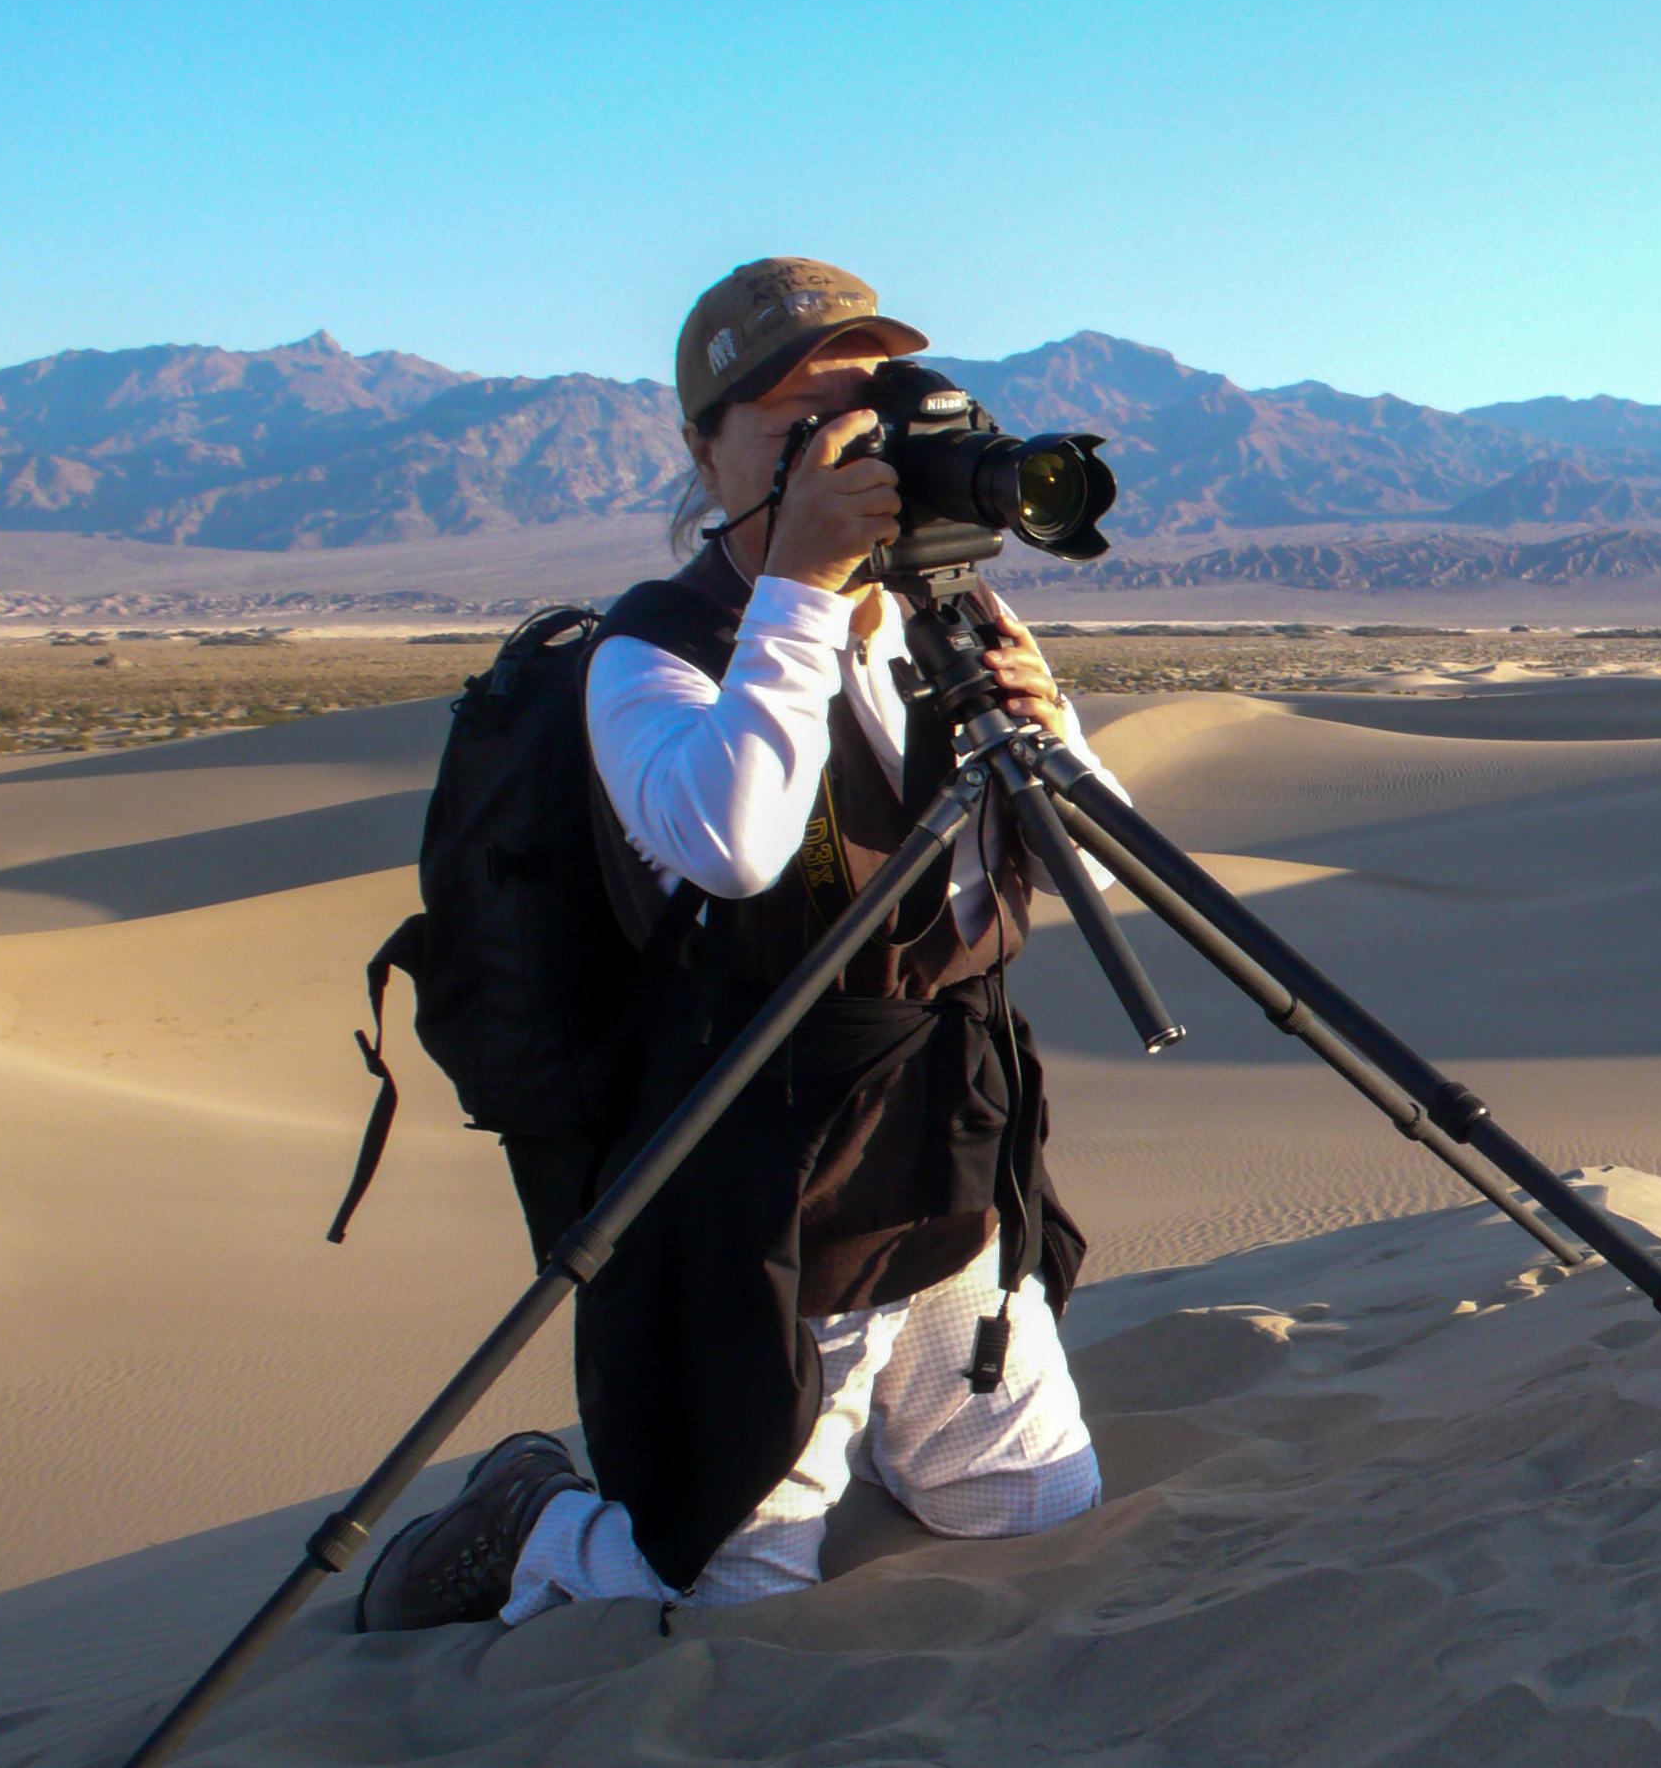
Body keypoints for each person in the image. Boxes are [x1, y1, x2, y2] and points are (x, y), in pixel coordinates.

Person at [357, 258, 1124, 1630]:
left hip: (947, 1137)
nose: (847, 452)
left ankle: (882, 1430)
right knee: (733, 1597)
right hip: (762, 1177)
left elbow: (1098, 865)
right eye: (797, 428)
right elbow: (736, 846)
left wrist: (1052, 734)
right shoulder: (654, 653)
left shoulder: (947, 620)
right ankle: (537, 1525)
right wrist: (805, 589)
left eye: (864, 415)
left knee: (1028, 1512)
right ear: (704, 452)